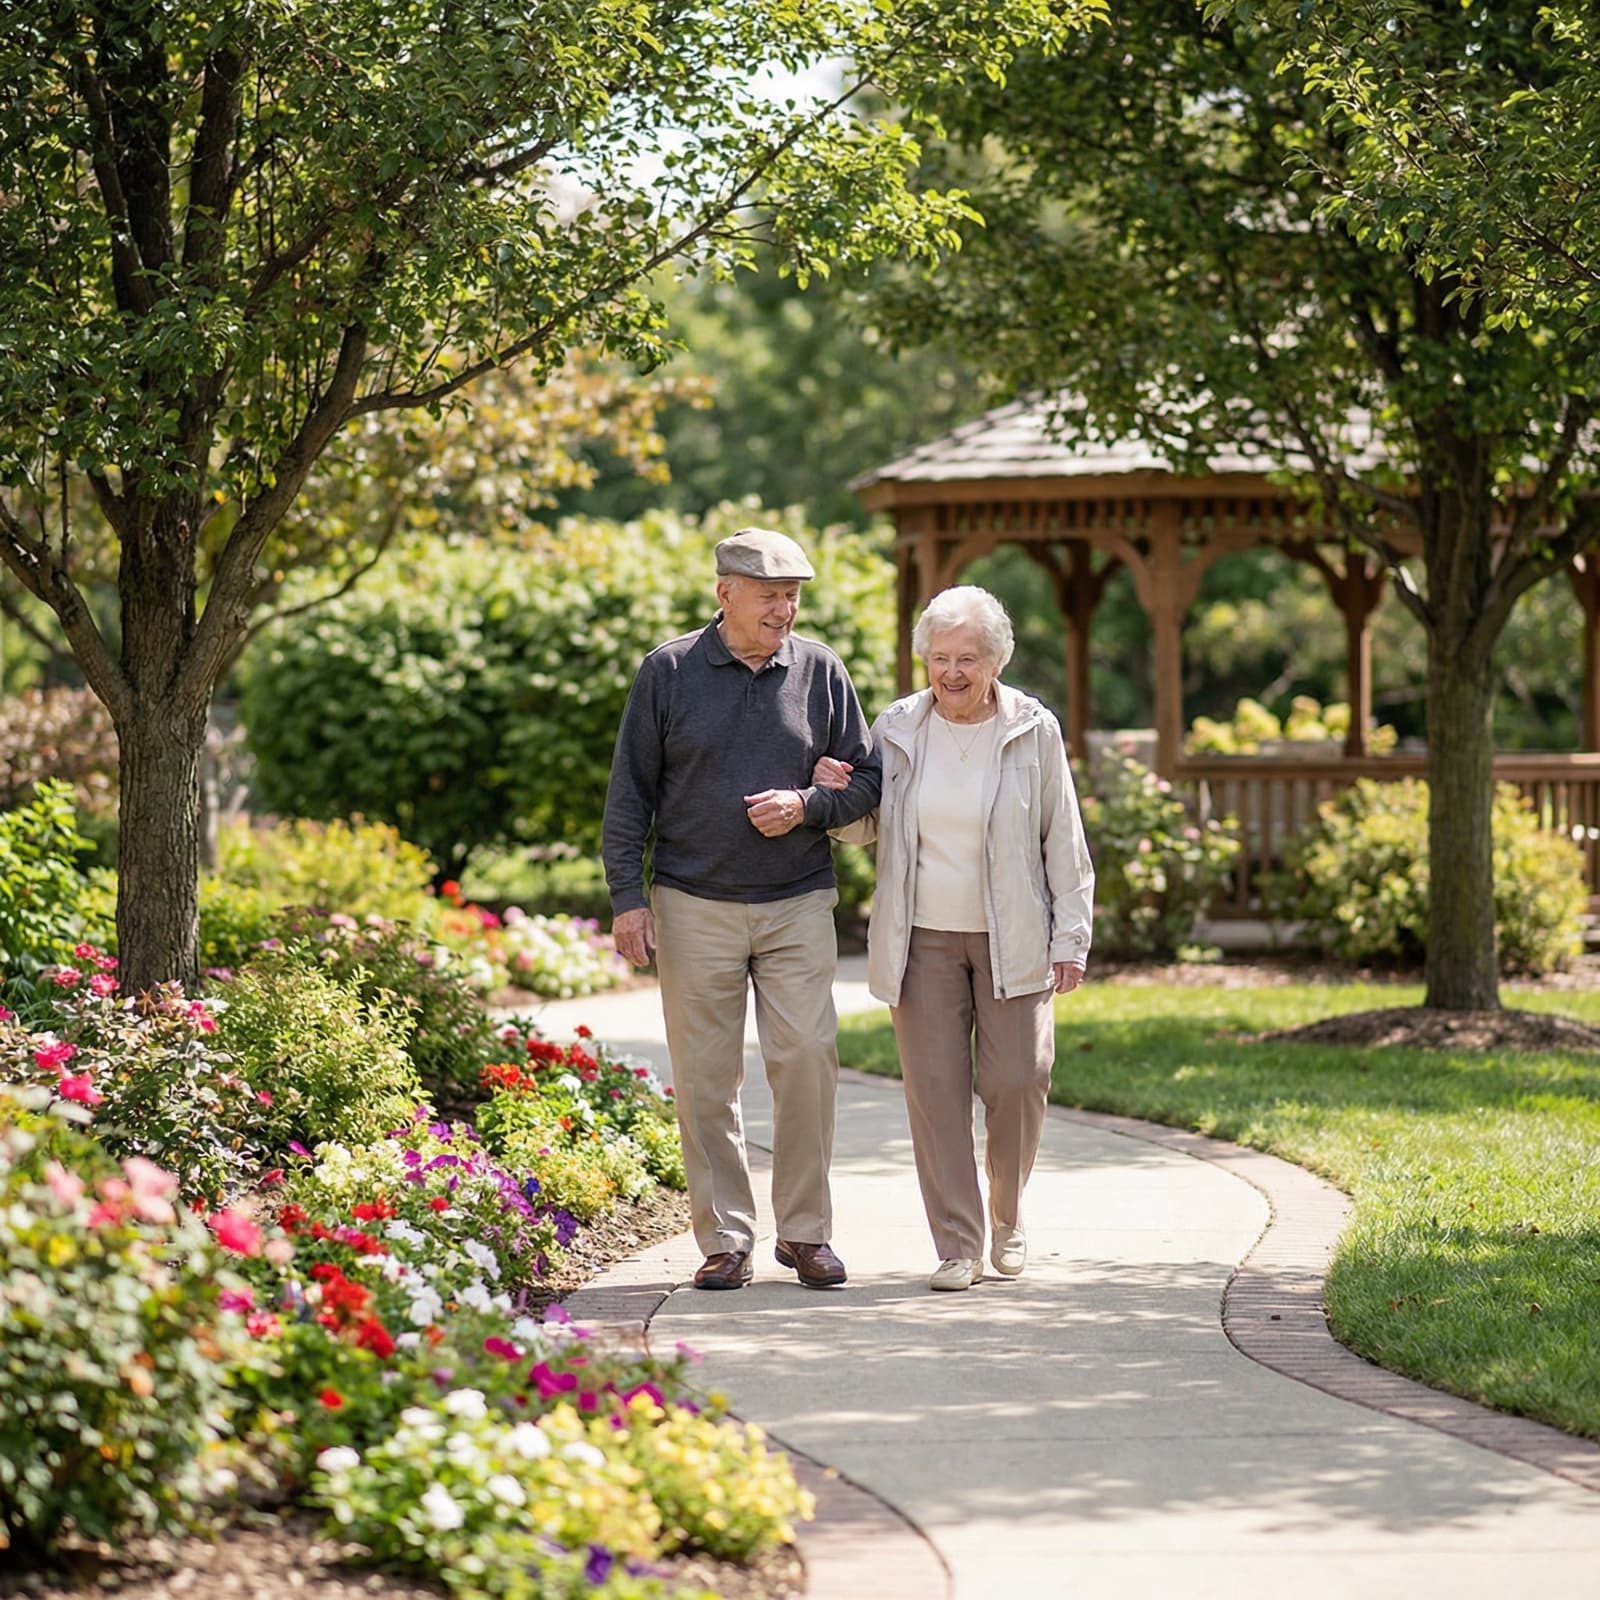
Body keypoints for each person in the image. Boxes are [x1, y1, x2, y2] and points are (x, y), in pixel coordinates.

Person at [602, 527, 882, 1292]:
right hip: (694, 902)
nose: (784, 609)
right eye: (770, 595)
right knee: (705, 1079)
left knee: (806, 1062)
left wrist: (809, 803)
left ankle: (805, 1233)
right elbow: (630, 793)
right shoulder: (668, 672)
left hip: (796, 900)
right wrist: (629, 898)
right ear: (724, 592)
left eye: (792, 596)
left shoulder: (821, 670)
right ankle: (725, 1238)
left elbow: (867, 782)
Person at [815, 584, 1093, 1292]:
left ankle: (1007, 1215)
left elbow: (1062, 838)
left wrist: (1072, 936)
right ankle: (959, 1244)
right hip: (923, 939)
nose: (952, 672)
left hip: (1015, 935)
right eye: (939, 657)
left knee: (1016, 1082)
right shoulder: (900, 727)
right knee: (936, 1095)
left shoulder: (1033, 727)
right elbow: (866, 821)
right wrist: (833, 794)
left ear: (995, 660)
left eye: (967, 657)